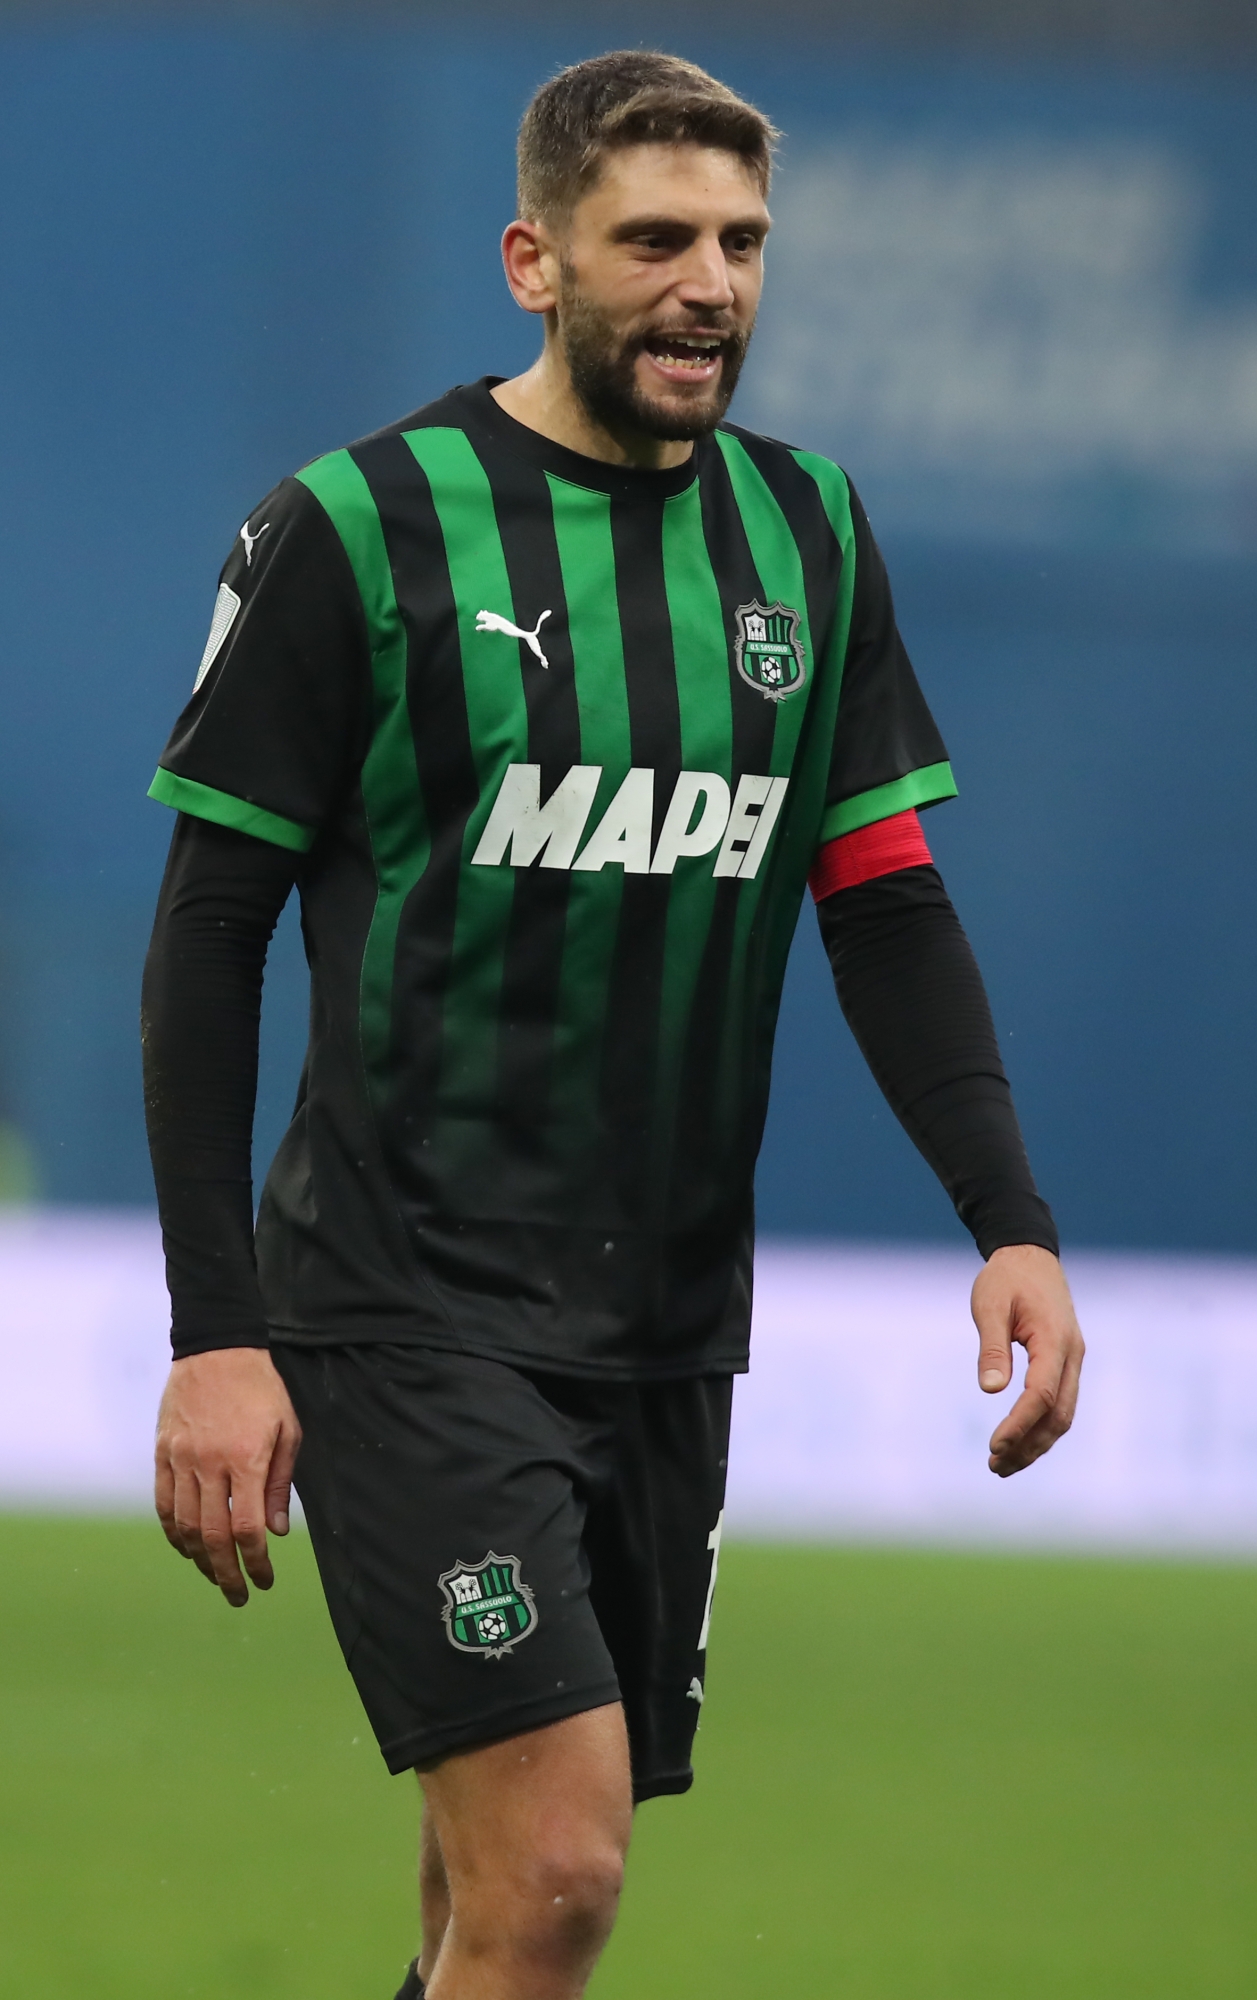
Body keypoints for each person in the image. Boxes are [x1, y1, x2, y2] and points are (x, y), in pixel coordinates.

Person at [142, 50, 1084, 2000]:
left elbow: (885, 904)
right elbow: (206, 936)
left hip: (661, 1325)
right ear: (531, 259)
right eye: (652, 239)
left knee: (483, 1910)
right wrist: (217, 1334)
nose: (708, 283)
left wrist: (1007, 1220)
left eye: (739, 242)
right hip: (402, 1306)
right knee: (559, 1882)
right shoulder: (357, 528)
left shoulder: (806, 538)